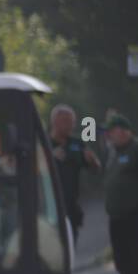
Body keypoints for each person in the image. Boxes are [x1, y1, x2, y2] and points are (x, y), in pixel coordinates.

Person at [103, 114, 138, 274]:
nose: (109, 136)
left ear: (125, 131)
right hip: (117, 218)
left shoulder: (136, 149)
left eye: (112, 131)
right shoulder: (113, 153)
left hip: (134, 216)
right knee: (123, 260)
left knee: (136, 258)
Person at [49, 104, 101, 245]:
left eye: (72, 122)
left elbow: (95, 168)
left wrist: (92, 161)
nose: (70, 125)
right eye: (66, 121)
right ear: (54, 122)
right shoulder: (45, 144)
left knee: (70, 245)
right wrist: (49, 157)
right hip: (49, 208)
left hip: (71, 206)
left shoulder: (77, 143)